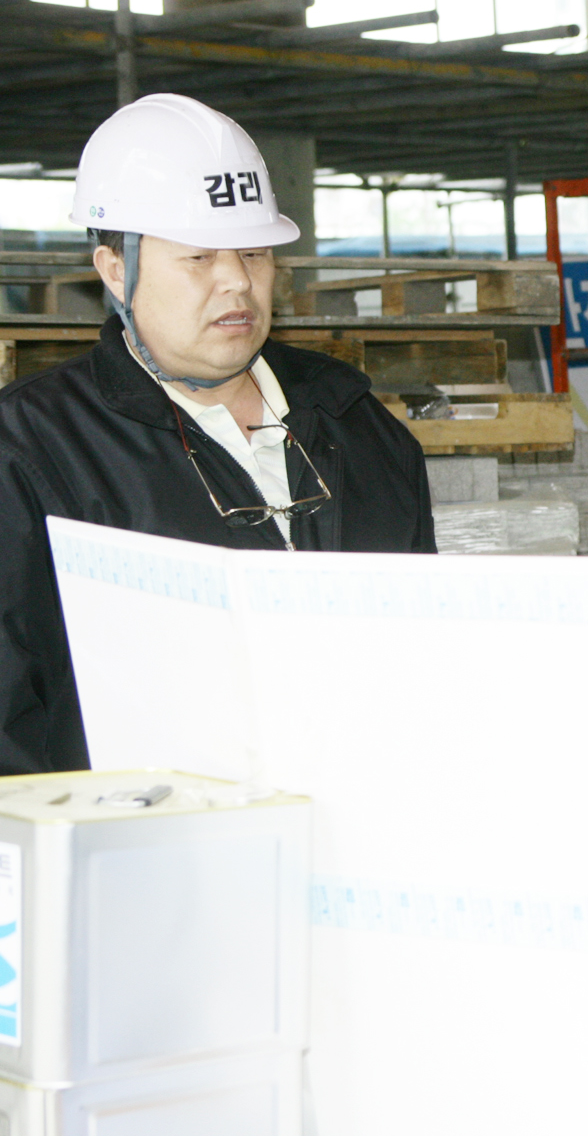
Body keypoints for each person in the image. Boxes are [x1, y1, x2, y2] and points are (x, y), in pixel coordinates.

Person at [0, 93, 434, 775]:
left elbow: (423, 662)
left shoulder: (355, 424)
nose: (237, 281)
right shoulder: (33, 450)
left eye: (255, 253)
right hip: (144, 856)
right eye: (200, 257)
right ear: (117, 269)